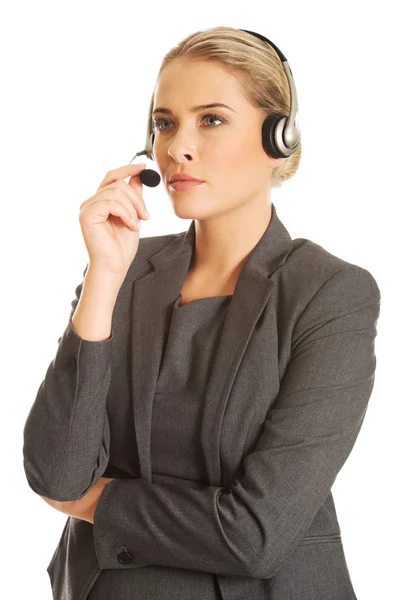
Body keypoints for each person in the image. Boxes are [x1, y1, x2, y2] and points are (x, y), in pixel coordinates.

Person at [22, 26, 380, 600]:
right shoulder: (125, 270)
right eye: (165, 123)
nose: (176, 147)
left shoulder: (331, 294)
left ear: (278, 137)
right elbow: (56, 473)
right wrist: (105, 277)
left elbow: (257, 534)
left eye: (211, 120)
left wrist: (98, 502)